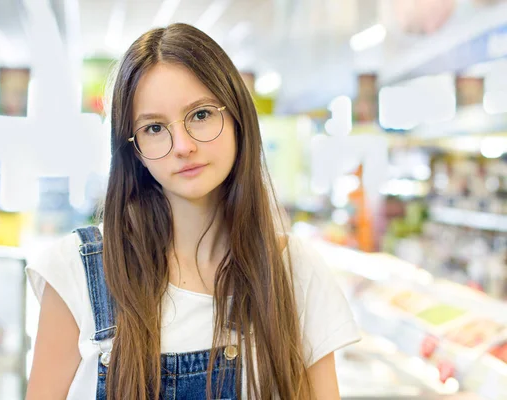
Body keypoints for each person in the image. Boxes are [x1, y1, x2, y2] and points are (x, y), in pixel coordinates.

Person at [25, 23, 360, 400]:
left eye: (200, 115)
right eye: (154, 127)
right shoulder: (78, 270)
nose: (182, 145)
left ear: (236, 117)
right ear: (133, 151)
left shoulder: (294, 271)